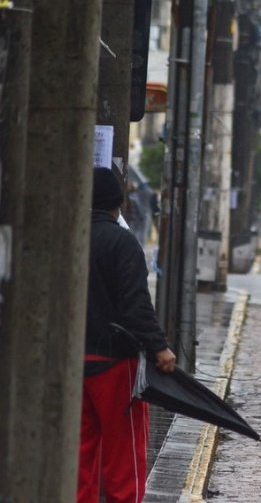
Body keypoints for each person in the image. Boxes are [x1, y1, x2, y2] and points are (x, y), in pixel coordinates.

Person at [77, 167, 177, 503]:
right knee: (124, 454)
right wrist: (160, 348)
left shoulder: (66, 238)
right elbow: (136, 306)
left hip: (71, 360)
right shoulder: (123, 243)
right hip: (115, 364)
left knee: (80, 453)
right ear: (118, 202)